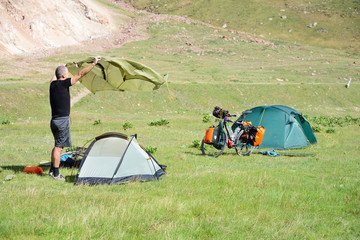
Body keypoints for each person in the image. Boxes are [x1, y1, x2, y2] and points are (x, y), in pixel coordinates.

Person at [49, 56, 101, 181]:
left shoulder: (52, 85)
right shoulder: (63, 83)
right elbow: (81, 74)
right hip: (62, 121)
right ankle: (56, 174)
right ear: (64, 76)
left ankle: (52, 170)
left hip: (54, 121)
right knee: (58, 147)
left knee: (57, 145)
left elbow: (54, 77)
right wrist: (93, 64)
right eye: (66, 74)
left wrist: (62, 68)